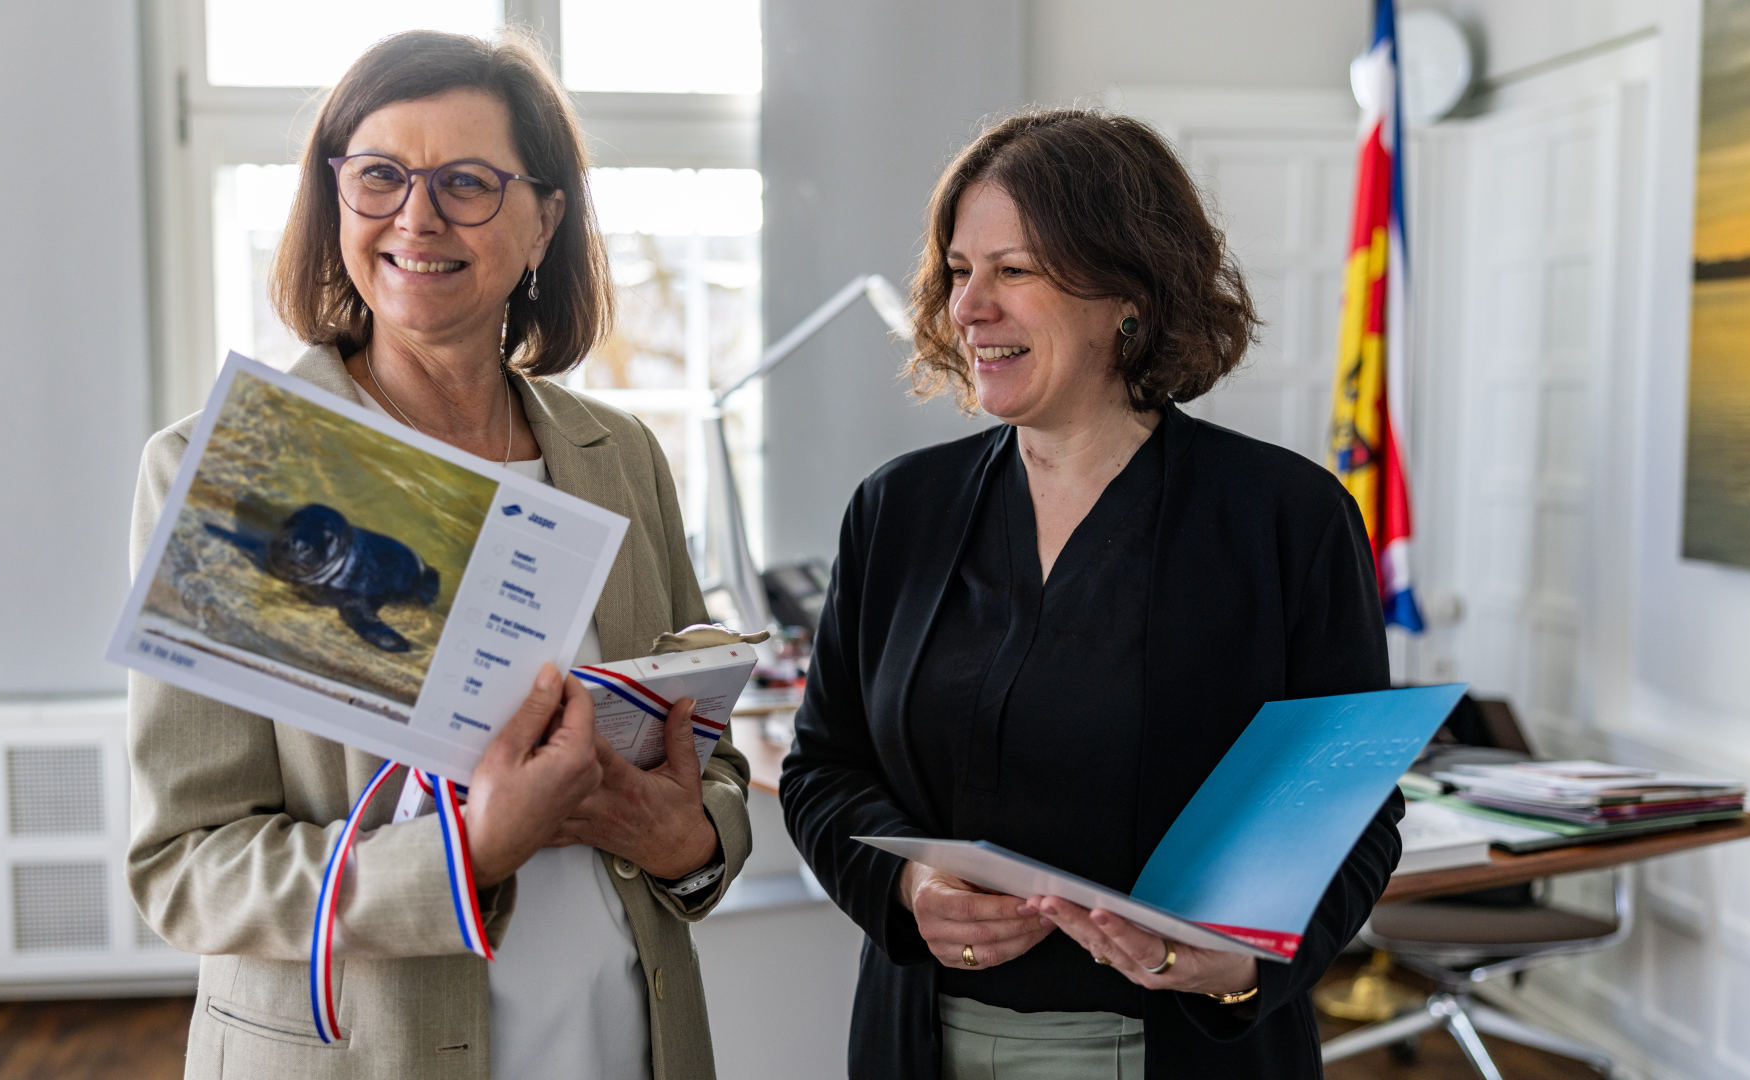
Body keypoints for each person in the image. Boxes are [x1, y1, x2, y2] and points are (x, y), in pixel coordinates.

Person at [126, 31, 748, 1080]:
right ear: (335, 207)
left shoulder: (622, 456)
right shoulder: (229, 471)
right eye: (378, 177)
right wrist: (463, 857)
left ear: (546, 218)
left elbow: (706, 745)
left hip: (621, 1037)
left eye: (466, 182)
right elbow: (186, 869)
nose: (417, 217)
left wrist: (687, 836)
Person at [778, 108, 1395, 1079]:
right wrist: (903, 889)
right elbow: (821, 769)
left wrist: (1243, 963)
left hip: (1188, 1053)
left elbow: (1352, 816)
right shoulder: (897, 510)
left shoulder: (1287, 519)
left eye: (1012, 271)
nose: (966, 308)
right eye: (957, 271)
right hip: (918, 1046)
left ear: (1128, 293)